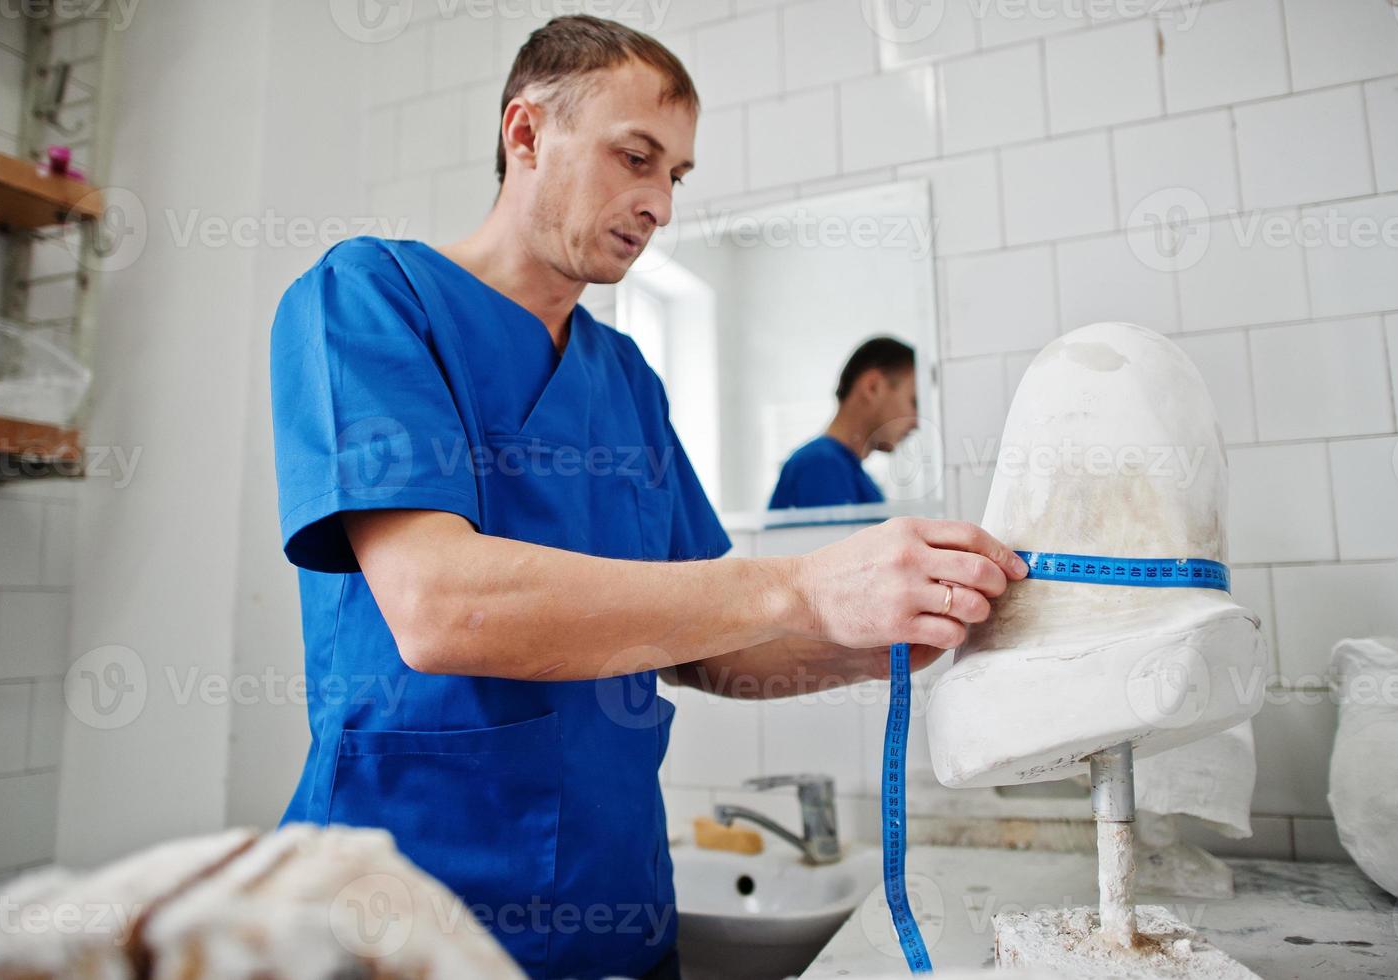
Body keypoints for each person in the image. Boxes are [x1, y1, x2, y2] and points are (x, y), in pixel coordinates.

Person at [267, 16, 1025, 980]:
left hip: (615, 913)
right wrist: (802, 583)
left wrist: (902, 633)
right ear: (526, 134)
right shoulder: (368, 298)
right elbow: (442, 607)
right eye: (637, 158)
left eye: (677, 176)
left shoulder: (623, 376)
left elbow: (711, 645)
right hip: (403, 920)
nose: (661, 203)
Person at [768, 337, 918, 510]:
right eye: (914, 402)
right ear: (873, 387)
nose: (916, 422)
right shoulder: (820, 465)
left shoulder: (850, 474)